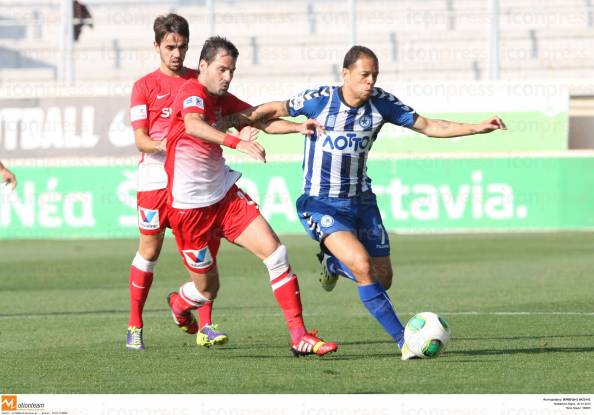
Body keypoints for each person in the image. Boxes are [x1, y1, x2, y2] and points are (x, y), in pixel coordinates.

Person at [223, 45, 506, 360]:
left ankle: (332, 263)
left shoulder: (382, 104)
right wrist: (232, 121)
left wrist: (477, 127)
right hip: (321, 203)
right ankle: (404, 342)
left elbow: (428, 126)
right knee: (361, 266)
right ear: (345, 74)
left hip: (362, 201)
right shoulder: (320, 100)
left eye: (374, 75)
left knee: (382, 277)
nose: (370, 81)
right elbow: (274, 108)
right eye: (364, 75)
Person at [164, 36, 337, 356]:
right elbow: (192, 125)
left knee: (276, 254)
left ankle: (299, 336)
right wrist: (237, 143)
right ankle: (179, 303)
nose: (227, 77)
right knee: (207, 289)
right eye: (221, 69)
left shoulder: (223, 98)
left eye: (231, 71)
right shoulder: (192, 92)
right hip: (189, 211)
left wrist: (299, 127)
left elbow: (261, 120)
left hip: (224, 198)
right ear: (203, 66)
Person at [126, 14, 198, 351]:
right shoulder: (144, 86)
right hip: (154, 179)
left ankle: (205, 325)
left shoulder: (197, 82)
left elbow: (219, 117)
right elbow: (140, 139)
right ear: (157, 46)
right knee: (150, 250)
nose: (176, 53)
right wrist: (162, 146)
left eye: (182, 47)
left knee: (197, 250)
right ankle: (135, 325)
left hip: (190, 178)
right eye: (170, 46)